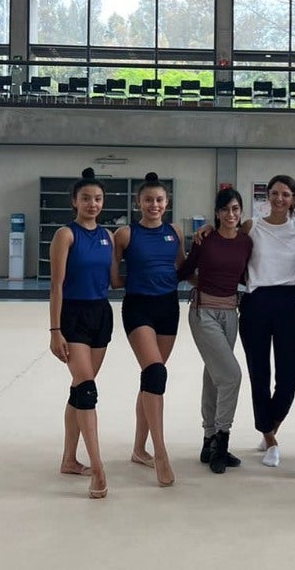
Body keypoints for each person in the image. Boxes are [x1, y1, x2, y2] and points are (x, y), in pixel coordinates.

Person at [112, 172, 184, 487]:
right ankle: (160, 452)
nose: (153, 205)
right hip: (139, 306)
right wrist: (143, 281)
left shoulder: (175, 232)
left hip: (168, 308)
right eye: (148, 200)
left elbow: (181, 269)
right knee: (155, 373)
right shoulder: (125, 234)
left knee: (150, 379)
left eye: (159, 200)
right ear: (137, 202)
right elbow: (115, 279)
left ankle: (139, 450)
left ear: (166, 204)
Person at [48, 167, 114, 499]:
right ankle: (98, 468)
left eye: (97, 199)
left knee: (79, 387)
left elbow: (116, 279)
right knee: (87, 389)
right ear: (74, 201)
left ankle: (68, 459)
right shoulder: (66, 235)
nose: (92, 204)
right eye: (86, 198)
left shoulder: (109, 236)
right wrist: (55, 330)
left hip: (101, 314)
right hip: (73, 314)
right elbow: (56, 286)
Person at [177, 188, 252, 474]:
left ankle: (208, 440)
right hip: (203, 312)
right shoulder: (205, 240)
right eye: (225, 210)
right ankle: (222, 440)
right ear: (217, 213)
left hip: (230, 313)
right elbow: (185, 270)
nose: (230, 215)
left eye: (235, 209)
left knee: (215, 374)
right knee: (231, 375)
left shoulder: (246, 242)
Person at [238, 174, 295, 467]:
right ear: (267, 196)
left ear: (293, 199)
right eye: (275, 193)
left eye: (286, 194)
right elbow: (231, 249)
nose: (280, 199)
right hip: (255, 302)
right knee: (259, 374)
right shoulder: (252, 226)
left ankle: (269, 426)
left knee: (289, 379)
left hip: (287, 301)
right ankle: (270, 438)